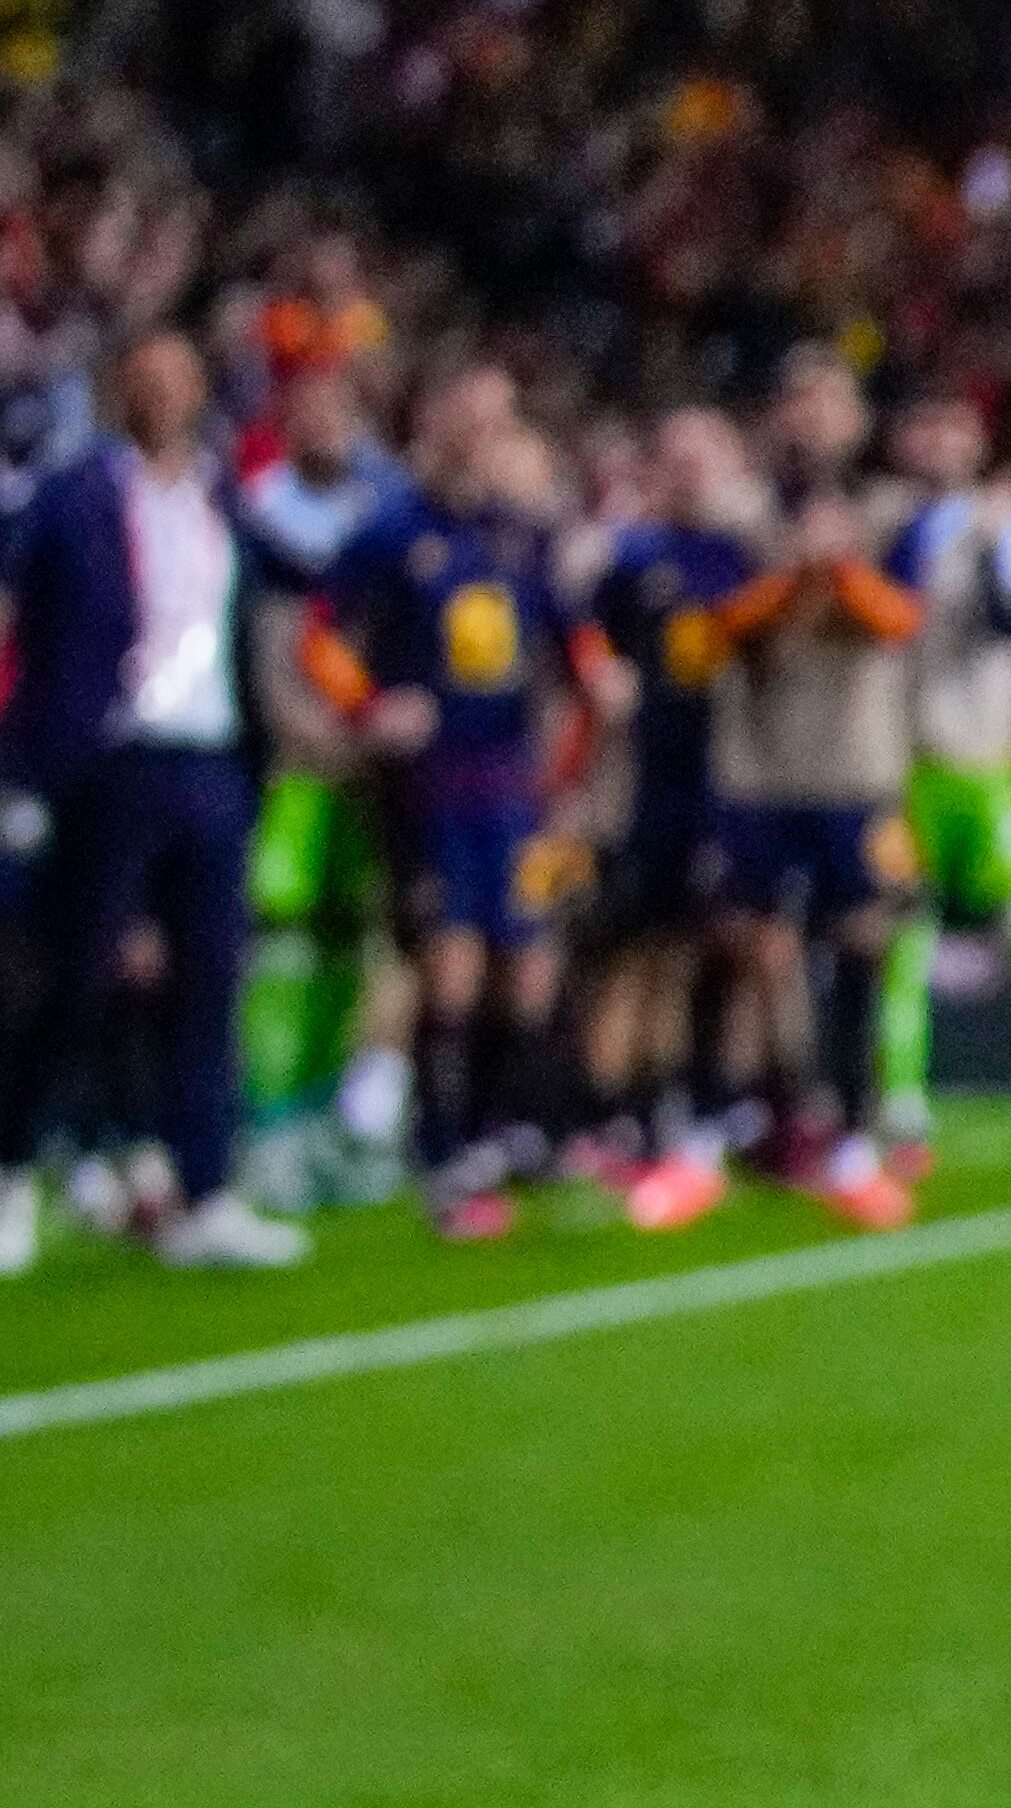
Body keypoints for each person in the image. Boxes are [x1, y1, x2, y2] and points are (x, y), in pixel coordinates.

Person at [0, 330, 304, 1275]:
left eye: (176, 381)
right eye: (143, 382)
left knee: (209, 980)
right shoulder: (76, 493)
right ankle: (12, 1170)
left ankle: (204, 1189)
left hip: (210, 760)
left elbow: (292, 585)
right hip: (110, 758)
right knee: (74, 975)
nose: (161, 397)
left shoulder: (221, 498)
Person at [309, 366, 581, 1242]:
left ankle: (494, 1135)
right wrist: (366, 707)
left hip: (510, 781)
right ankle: (441, 1152)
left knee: (526, 965)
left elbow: (569, 646)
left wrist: (575, 743)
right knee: (450, 962)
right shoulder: (393, 531)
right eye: (467, 418)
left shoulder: (520, 536)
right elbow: (320, 635)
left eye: (496, 422)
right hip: (433, 782)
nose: (480, 436)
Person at [710, 354, 925, 1231]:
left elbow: (903, 622)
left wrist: (840, 573)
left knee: (861, 939)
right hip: (762, 766)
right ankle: (781, 1111)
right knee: (760, 948)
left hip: (856, 767)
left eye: (830, 402)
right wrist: (789, 577)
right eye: (799, 401)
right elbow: (718, 624)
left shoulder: (890, 514)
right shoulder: (742, 513)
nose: (813, 419)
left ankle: (854, 1121)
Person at [229, 361, 412, 1217]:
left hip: (377, 762)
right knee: (281, 936)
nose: (325, 421)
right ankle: (270, 1117)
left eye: (338, 403)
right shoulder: (262, 513)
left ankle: (349, 1116)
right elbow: (269, 644)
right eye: (306, 407)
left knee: (370, 934)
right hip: (293, 761)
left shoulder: (391, 507)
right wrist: (304, 730)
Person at [879, 388, 1011, 1156]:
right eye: (927, 424)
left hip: (991, 763)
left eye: (953, 427)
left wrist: (991, 545)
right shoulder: (887, 524)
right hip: (906, 764)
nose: (938, 442)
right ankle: (900, 1106)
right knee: (902, 941)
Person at [581, 405, 765, 1232]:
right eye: (677, 457)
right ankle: (636, 1117)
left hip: (732, 781)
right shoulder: (629, 562)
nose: (691, 472)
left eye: (705, 456)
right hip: (650, 784)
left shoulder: (745, 559)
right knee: (645, 948)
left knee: (725, 944)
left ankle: (712, 1109)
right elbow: (586, 651)